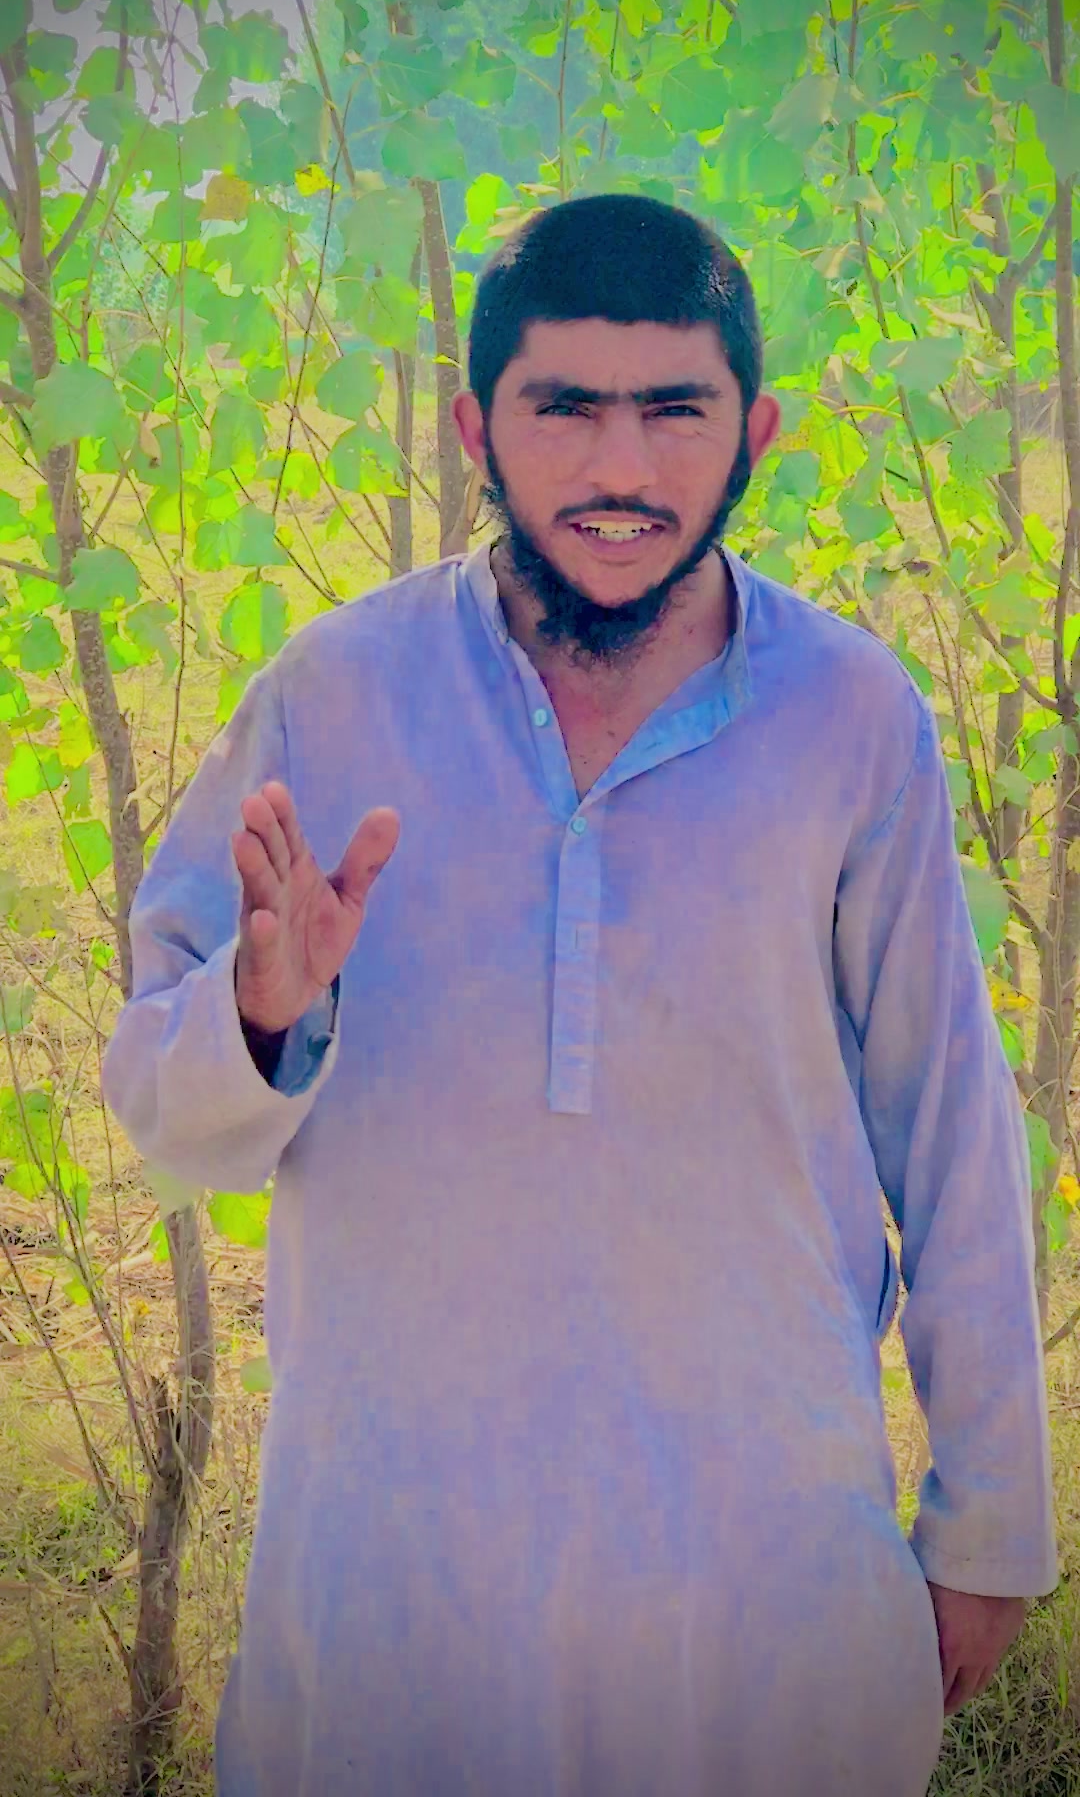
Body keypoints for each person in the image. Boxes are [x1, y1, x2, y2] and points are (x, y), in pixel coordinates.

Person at [102, 192, 1057, 1797]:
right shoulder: (333, 698)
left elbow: (951, 1130)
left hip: (762, 1571)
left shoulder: (854, 716)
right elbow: (166, 1126)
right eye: (565, 409)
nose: (623, 469)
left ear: (754, 431)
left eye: (675, 410)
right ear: (478, 426)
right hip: (400, 1578)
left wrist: (992, 1523)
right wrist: (258, 1020)